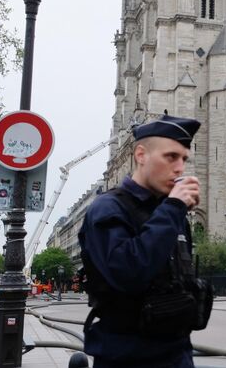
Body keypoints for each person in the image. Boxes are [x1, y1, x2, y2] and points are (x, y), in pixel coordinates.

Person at [78, 115, 203, 368]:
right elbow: (128, 272)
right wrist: (174, 207)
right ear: (141, 155)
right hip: (128, 356)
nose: (180, 168)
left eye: (184, 159)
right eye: (171, 157)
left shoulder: (171, 211)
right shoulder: (109, 208)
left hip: (177, 353)